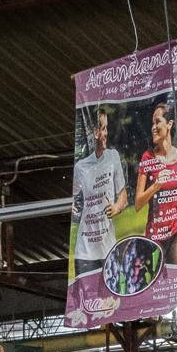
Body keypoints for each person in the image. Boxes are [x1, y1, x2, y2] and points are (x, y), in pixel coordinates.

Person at [71, 107, 128, 278]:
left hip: (107, 245)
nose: (105, 133)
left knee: (111, 298)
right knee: (86, 301)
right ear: (93, 132)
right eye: (102, 129)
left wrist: (117, 207)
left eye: (106, 128)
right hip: (84, 249)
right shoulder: (80, 167)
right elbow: (73, 196)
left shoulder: (113, 157)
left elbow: (123, 195)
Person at [134, 99, 177, 267]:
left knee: (176, 277)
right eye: (152, 123)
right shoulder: (147, 157)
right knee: (154, 287)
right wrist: (156, 185)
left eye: (158, 122)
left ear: (169, 124)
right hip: (154, 234)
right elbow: (138, 203)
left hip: (175, 229)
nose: (153, 127)